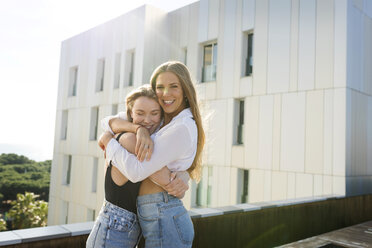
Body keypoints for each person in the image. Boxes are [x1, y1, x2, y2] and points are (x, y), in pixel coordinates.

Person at [99, 61, 205, 248]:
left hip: (164, 215)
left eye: (174, 86)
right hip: (154, 215)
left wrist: (110, 143)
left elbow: (136, 172)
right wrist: (138, 129)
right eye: (160, 87)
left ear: (185, 90)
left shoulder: (180, 127)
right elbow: (109, 122)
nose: (166, 93)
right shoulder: (160, 117)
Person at [86, 85, 190, 248]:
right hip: (111, 233)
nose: (147, 120)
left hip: (125, 232)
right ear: (130, 114)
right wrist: (180, 178)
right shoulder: (129, 140)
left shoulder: (148, 141)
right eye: (140, 114)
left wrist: (184, 175)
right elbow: (166, 181)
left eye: (154, 113)